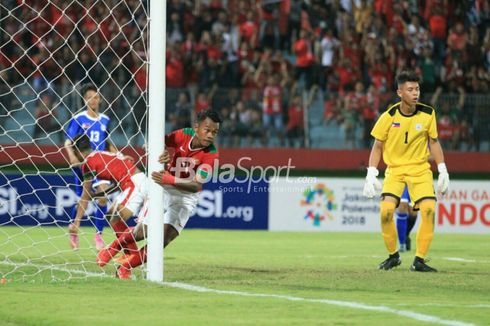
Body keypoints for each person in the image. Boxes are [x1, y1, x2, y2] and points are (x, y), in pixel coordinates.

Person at [96, 109, 222, 279]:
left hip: (186, 196)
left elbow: (195, 184)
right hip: (164, 189)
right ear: (196, 127)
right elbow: (157, 141)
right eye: (207, 130)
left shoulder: (211, 154)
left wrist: (170, 178)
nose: (210, 135)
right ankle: (113, 247)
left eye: (215, 132)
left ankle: (125, 267)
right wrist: (158, 150)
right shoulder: (184, 134)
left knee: (164, 240)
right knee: (143, 232)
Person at [363, 70, 450, 273]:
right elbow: (377, 146)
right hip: (395, 170)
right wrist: (371, 173)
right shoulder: (388, 116)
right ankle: (394, 255)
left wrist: (443, 169)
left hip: (420, 170)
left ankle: (419, 260)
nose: (415, 93)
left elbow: (434, 142)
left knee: (429, 210)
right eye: (410, 89)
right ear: (400, 92)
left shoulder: (428, 113)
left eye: (417, 89)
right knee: (385, 212)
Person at [69, 134, 147, 261]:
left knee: (114, 218)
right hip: (137, 180)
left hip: (133, 183)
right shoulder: (103, 154)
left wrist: (76, 222)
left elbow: (85, 194)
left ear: (76, 151)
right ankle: (130, 254)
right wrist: (98, 194)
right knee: (112, 216)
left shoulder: (87, 164)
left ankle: (131, 254)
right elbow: (117, 183)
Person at [64, 84, 117, 250]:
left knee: (102, 196)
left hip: (99, 163)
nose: (93, 100)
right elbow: (68, 142)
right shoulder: (78, 118)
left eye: (96, 97)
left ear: (100, 99)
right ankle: (73, 228)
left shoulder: (105, 120)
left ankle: (98, 235)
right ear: (84, 100)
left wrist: (117, 154)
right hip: (81, 164)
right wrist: (72, 157)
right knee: (83, 201)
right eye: (90, 97)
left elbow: (106, 141)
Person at [396, 186, 418, 252]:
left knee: (413, 212)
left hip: (414, 182)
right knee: (402, 206)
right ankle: (402, 244)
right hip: (401, 181)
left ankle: (405, 235)